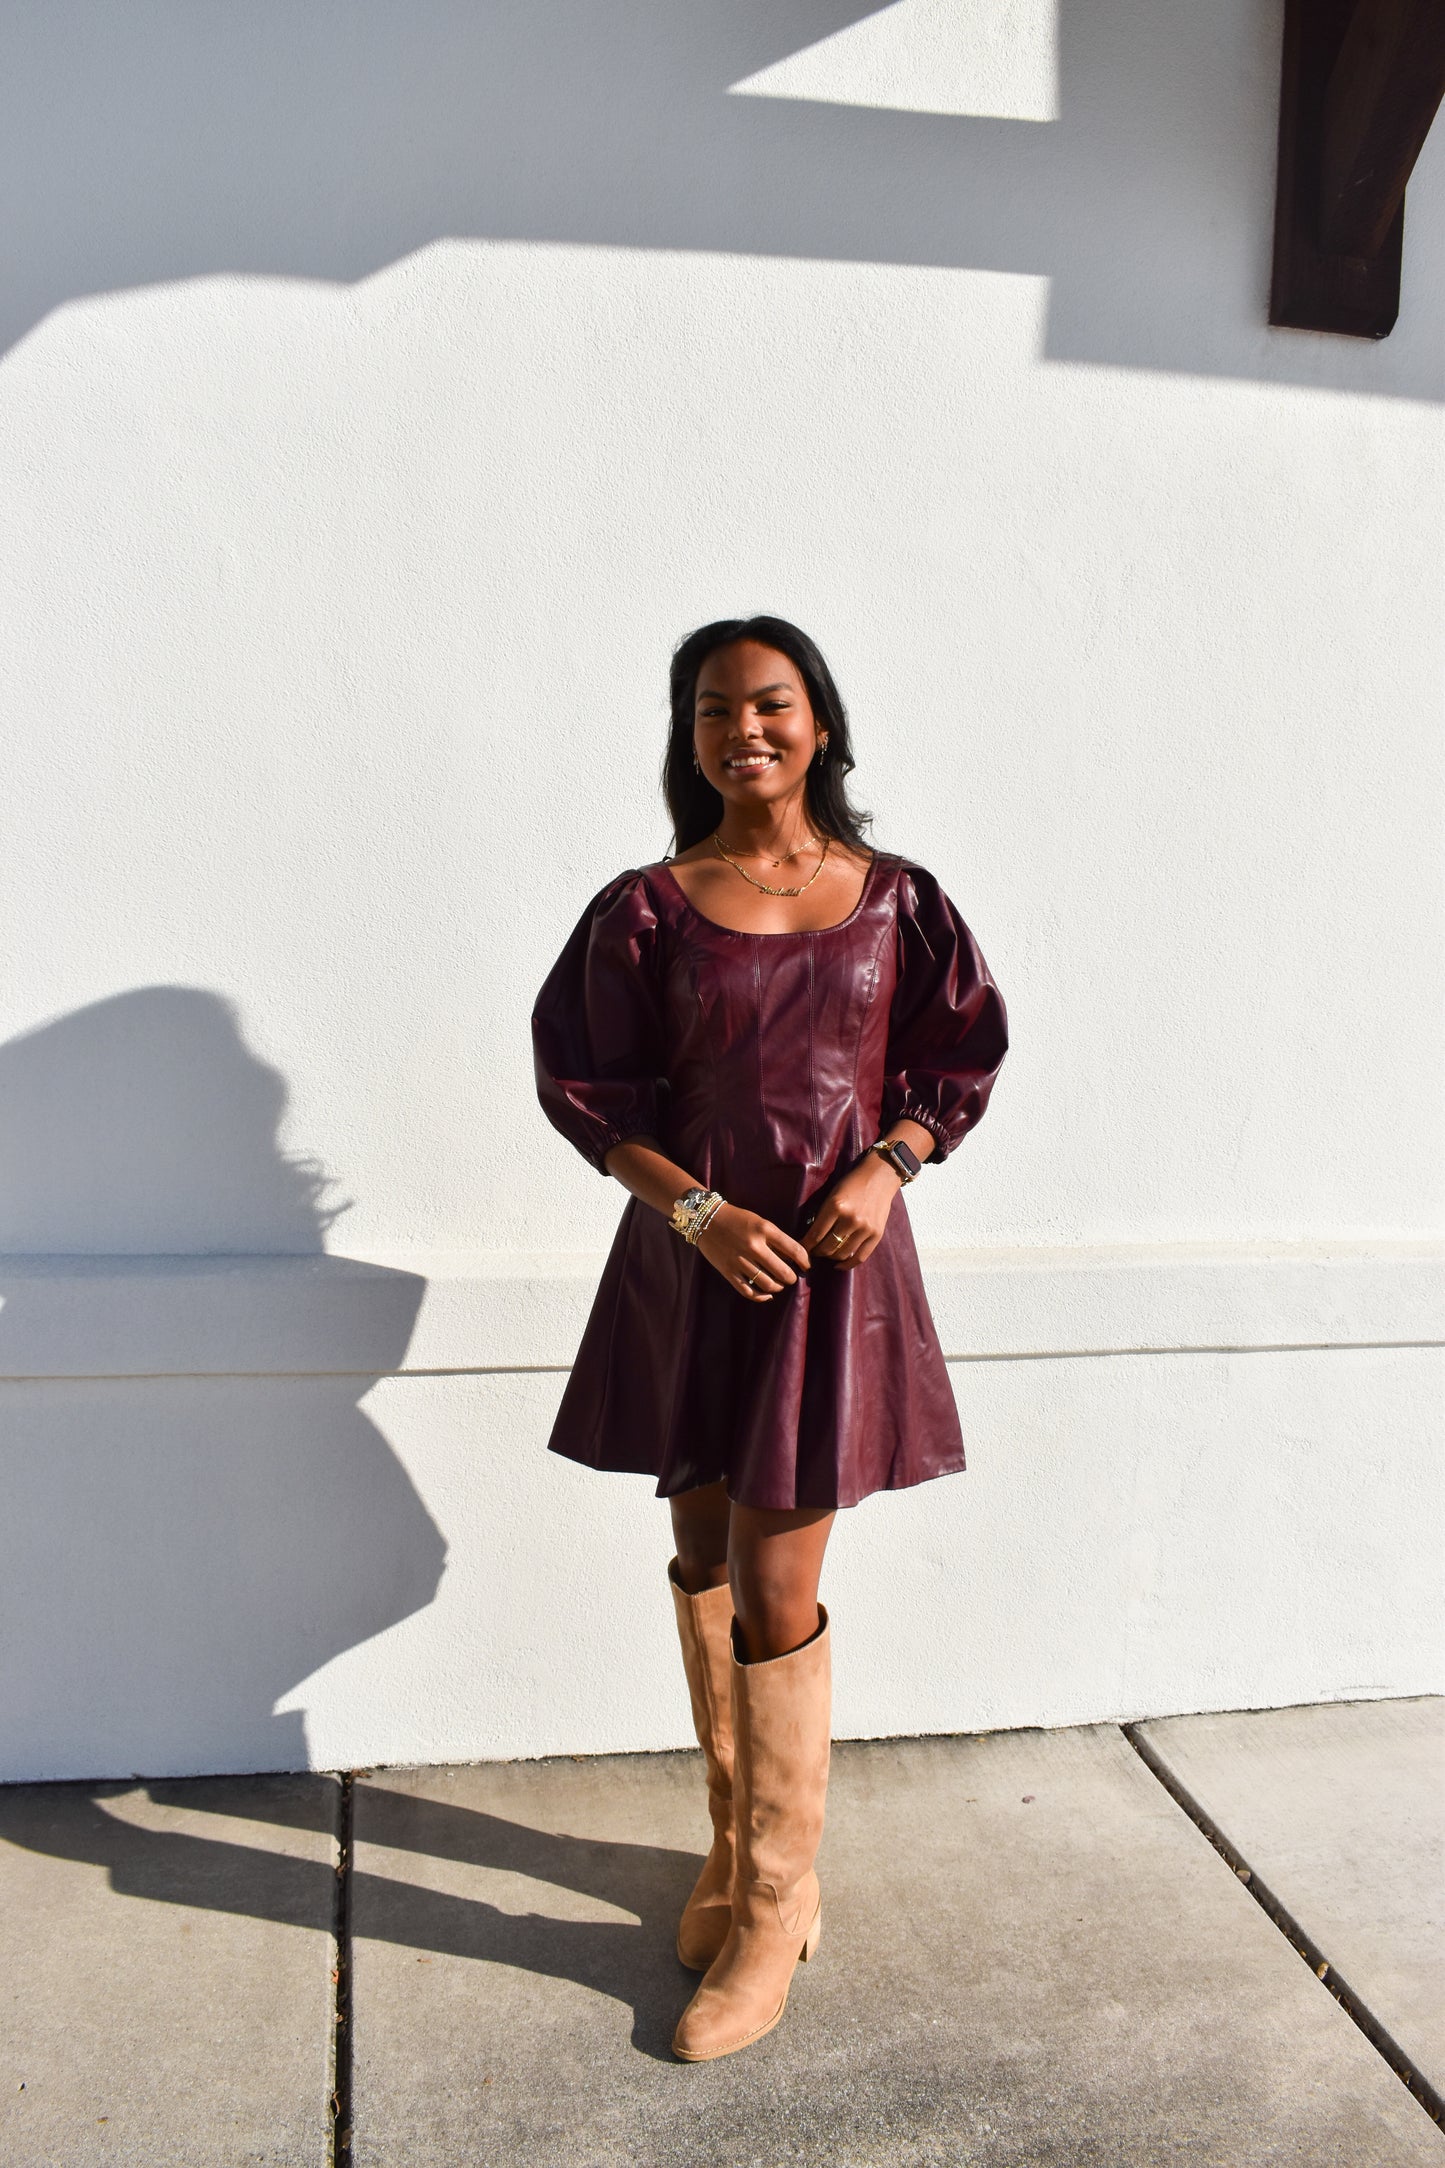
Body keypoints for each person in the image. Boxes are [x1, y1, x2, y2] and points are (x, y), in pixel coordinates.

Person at [530, 615, 1008, 2063]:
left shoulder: (896, 900)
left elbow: (956, 1055)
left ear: (819, 723)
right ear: (689, 739)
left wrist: (890, 1161)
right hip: (692, 1267)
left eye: (772, 703)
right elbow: (591, 1094)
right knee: (694, 1552)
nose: (746, 727)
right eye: (715, 708)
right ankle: (736, 1857)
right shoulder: (644, 907)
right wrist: (694, 1220)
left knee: (771, 1573)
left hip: (827, 1273)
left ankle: (773, 1913)